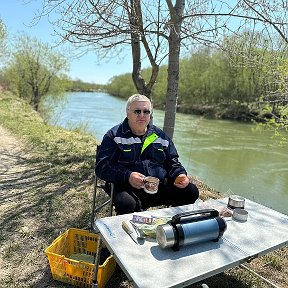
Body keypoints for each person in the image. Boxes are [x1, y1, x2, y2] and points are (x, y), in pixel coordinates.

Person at [95, 94, 199, 215]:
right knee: (126, 203)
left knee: (191, 191)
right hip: (126, 187)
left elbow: (173, 161)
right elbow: (102, 167)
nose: (142, 115)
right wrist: (127, 176)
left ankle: (170, 225)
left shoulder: (160, 135)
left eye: (146, 111)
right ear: (127, 113)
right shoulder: (113, 136)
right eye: (137, 111)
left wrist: (180, 174)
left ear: (150, 115)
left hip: (156, 187)